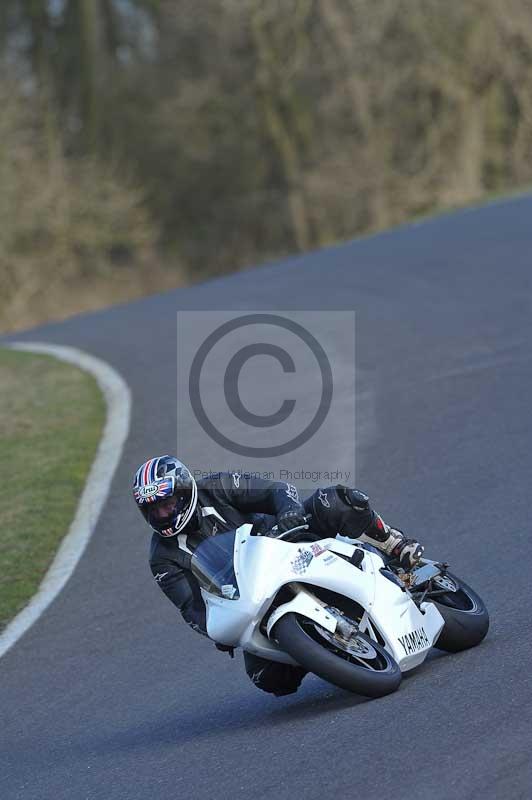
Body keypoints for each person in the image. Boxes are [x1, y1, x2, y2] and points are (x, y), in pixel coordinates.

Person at [134, 455, 424, 696]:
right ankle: (322, 647)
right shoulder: (162, 558)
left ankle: (394, 545)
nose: (163, 514)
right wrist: (215, 630)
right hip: (252, 597)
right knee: (269, 679)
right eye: (154, 510)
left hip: (290, 543)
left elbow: (276, 490)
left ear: (185, 492)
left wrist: (288, 512)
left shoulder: (218, 486)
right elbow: (191, 607)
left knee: (335, 499)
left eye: (167, 504)